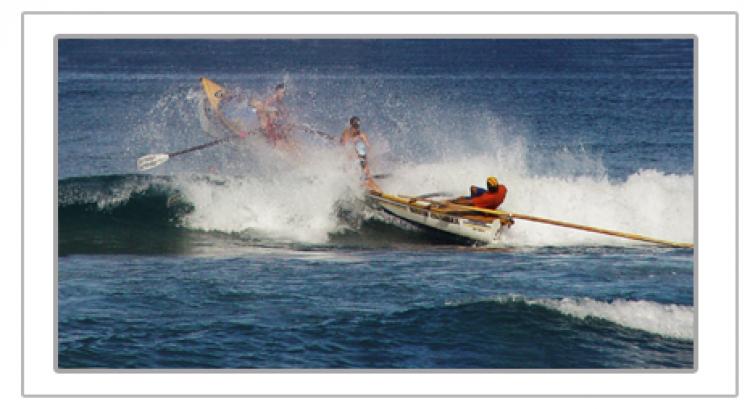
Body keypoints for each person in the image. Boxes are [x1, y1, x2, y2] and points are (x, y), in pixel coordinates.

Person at [341, 116, 381, 192]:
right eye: (355, 126)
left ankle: (378, 191)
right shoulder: (346, 133)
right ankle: (361, 185)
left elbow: (368, 146)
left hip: (360, 158)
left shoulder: (362, 134)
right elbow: (344, 146)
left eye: (357, 126)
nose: (356, 128)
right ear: (351, 125)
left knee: (368, 175)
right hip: (351, 160)